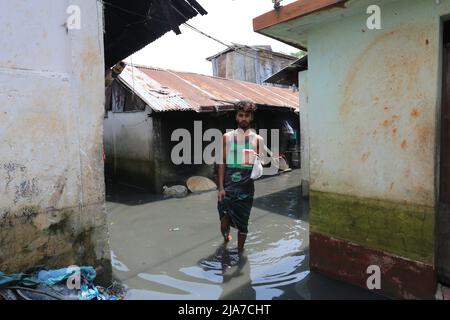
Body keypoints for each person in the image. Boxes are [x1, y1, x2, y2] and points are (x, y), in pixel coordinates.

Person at [217, 101, 264, 252]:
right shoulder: (227, 137)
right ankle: (226, 237)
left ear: (251, 118)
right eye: (240, 115)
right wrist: (221, 188)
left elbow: (260, 166)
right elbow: (222, 163)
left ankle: (240, 251)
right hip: (229, 188)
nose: (243, 118)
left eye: (247, 116)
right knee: (224, 223)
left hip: (246, 189)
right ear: (236, 117)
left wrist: (258, 158)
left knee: (243, 225)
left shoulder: (257, 140)